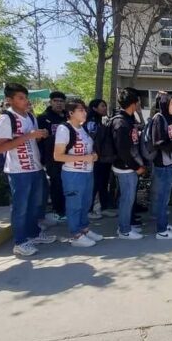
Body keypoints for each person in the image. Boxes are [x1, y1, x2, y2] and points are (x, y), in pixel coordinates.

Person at [0, 83, 56, 257]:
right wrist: (29, 136)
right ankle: (20, 242)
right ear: (9, 99)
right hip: (18, 170)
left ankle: (33, 233)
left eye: (25, 97)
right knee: (20, 207)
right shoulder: (6, 118)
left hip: (35, 166)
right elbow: (1, 147)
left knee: (35, 204)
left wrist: (39, 135)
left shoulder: (30, 116)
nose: (25, 101)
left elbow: (32, 141)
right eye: (20, 98)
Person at [54, 98, 103, 247]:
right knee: (74, 204)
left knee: (85, 203)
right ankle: (75, 234)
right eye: (80, 110)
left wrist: (93, 154)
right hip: (73, 174)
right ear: (71, 113)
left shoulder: (83, 128)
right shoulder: (64, 129)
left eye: (84, 109)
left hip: (87, 172)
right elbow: (58, 156)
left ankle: (84, 229)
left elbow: (88, 148)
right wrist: (84, 157)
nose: (84, 112)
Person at [110, 88, 146, 240]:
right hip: (125, 168)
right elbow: (123, 151)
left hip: (130, 166)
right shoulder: (121, 122)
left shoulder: (129, 119)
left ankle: (127, 225)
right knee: (127, 199)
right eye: (138, 101)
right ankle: (124, 229)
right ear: (134, 103)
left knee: (129, 198)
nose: (140, 104)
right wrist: (136, 167)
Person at [149, 92, 172, 240]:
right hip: (162, 164)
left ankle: (164, 224)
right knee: (162, 198)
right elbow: (159, 143)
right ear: (164, 104)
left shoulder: (168, 118)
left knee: (165, 197)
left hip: (169, 163)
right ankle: (161, 230)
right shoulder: (159, 119)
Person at [37, 91, 68, 223]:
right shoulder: (43, 118)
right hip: (52, 157)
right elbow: (38, 139)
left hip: (68, 156)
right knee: (56, 183)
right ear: (50, 102)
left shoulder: (67, 116)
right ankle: (58, 210)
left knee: (67, 183)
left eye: (61, 101)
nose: (59, 103)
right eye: (56, 101)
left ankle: (67, 209)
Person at [86, 99, 115, 218]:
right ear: (94, 108)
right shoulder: (91, 123)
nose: (105, 108)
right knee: (95, 184)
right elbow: (91, 140)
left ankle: (104, 207)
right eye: (102, 106)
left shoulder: (102, 121)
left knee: (103, 183)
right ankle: (89, 209)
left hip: (105, 158)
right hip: (96, 158)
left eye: (105, 106)